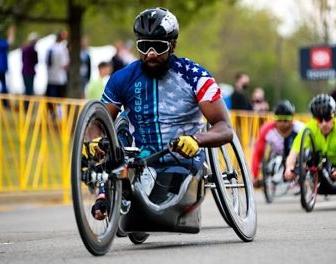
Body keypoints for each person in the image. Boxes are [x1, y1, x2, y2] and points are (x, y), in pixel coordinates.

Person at [89, 7, 233, 220]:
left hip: (179, 159)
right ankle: (107, 192)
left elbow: (224, 127)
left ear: (173, 45)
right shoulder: (121, 78)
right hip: (138, 160)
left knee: (157, 212)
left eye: (158, 46)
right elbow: (98, 123)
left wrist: (197, 139)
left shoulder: (195, 76)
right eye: (145, 46)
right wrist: (95, 141)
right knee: (115, 131)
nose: (151, 54)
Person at [284, 94, 336, 194]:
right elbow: (294, 152)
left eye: (327, 118)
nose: (324, 123)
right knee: (308, 155)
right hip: (320, 173)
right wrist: (289, 168)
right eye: (319, 120)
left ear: (335, 114)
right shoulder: (309, 128)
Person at [251, 100, 303, 186]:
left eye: (286, 120)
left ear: (292, 118)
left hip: (295, 156)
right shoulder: (266, 129)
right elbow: (258, 153)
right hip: (278, 155)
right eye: (279, 120)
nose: (282, 123)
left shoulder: (300, 129)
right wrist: (255, 175)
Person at [46, 30, 69, 98]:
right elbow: (65, 64)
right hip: (60, 79)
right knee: (59, 100)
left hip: (50, 77)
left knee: (51, 99)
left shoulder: (50, 47)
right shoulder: (62, 48)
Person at [21, 32, 38, 96]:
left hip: (24, 71)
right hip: (30, 72)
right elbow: (36, 61)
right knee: (29, 90)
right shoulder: (33, 51)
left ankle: (26, 104)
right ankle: (27, 105)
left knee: (26, 89)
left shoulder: (24, 49)